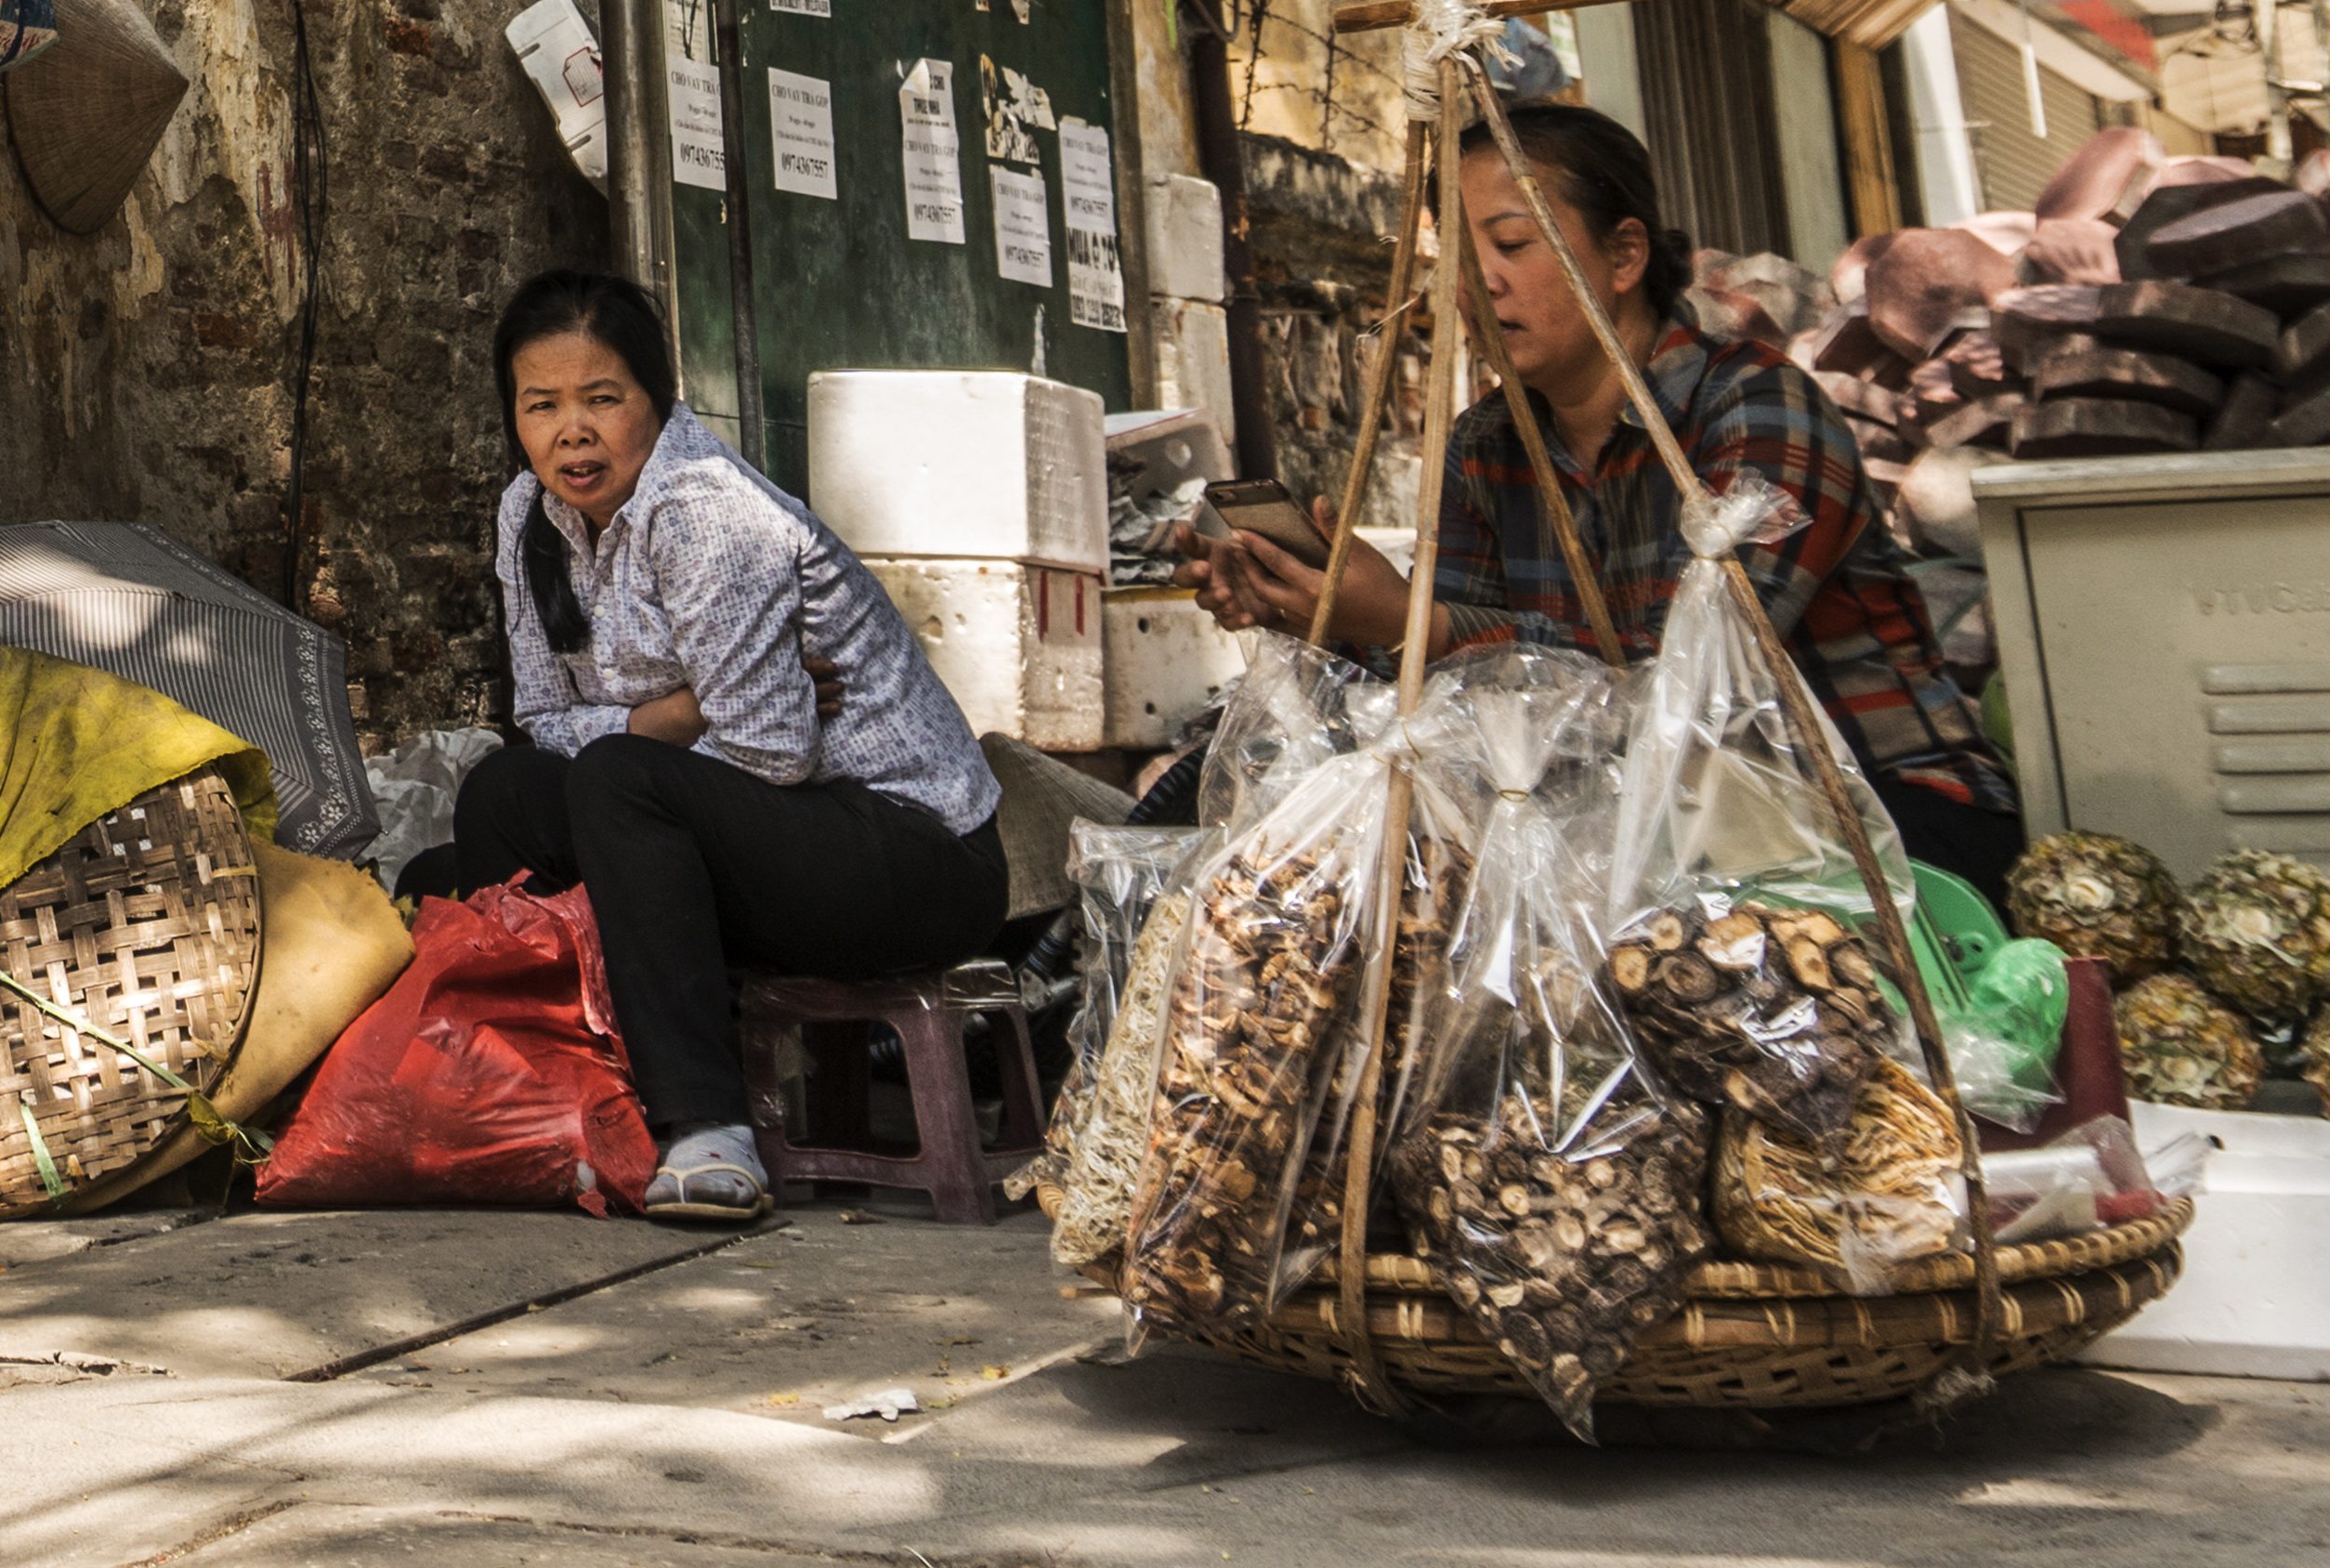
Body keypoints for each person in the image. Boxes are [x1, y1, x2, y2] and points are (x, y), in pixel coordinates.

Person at [1185, 98, 2022, 904]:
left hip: (1881, 817)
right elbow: (1468, 695)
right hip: (1653, 832)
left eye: (1511, 244)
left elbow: (1684, 676)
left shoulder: (1758, 406)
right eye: (1458, 259)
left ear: (1624, 258)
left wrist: (1414, 622)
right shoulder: (1483, 444)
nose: (1479, 284)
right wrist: (1321, 610)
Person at [400, 271, 1011, 1226]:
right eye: (542, 404)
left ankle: (704, 1127)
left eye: (603, 399)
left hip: (909, 853)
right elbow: (542, 722)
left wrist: (637, 750)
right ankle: (550, 1100)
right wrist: (681, 712)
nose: (573, 431)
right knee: (502, 795)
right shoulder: (529, 517)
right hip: (763, 829)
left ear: (657, 400)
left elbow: (771, 753)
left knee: (615, 785)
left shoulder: (705, 509)